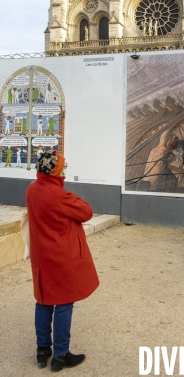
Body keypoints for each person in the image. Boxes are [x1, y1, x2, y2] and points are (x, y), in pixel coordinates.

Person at [26, 150, 99, 371]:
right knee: (64, 303)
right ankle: (61, 354)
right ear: (56, 170)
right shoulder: (58, 195)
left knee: (44, 300)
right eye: (62, 166)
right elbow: (86, 212)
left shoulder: (31, 190)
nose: (64, 169)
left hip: (42, 257)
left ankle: (42, 351)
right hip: (61, 257)